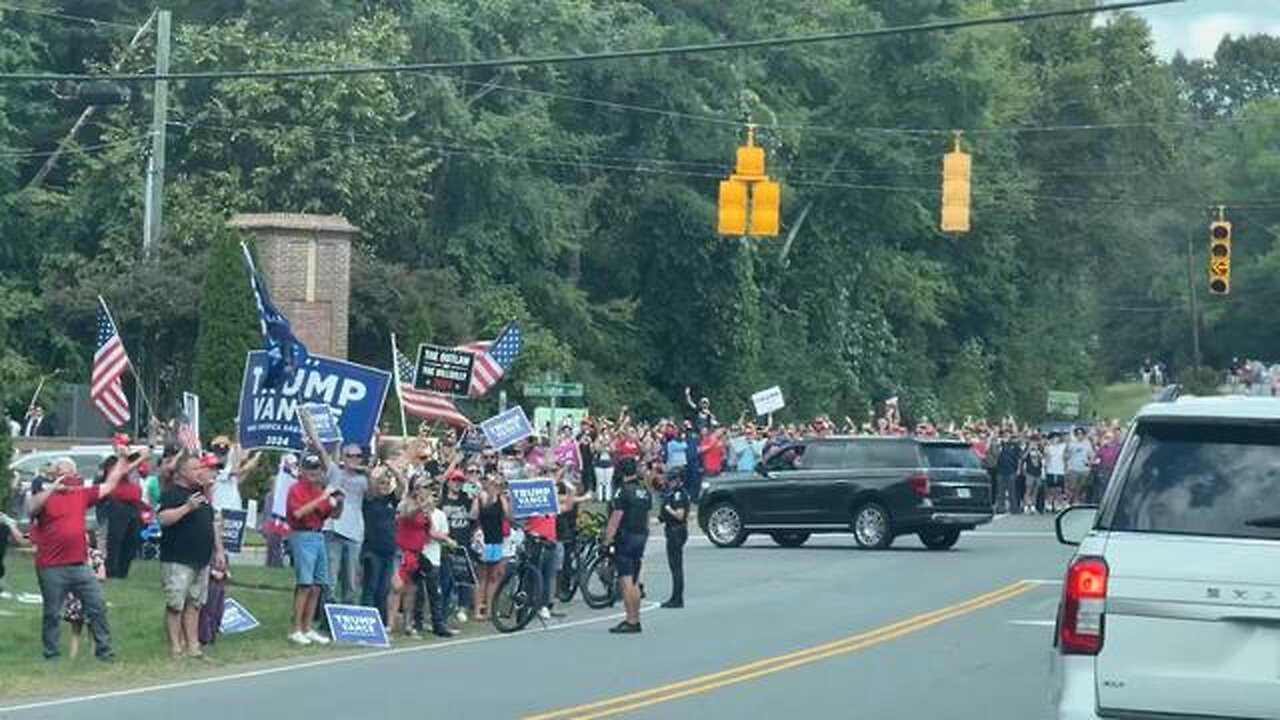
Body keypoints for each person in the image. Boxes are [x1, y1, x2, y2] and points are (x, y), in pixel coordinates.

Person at [27, 452, 144, 660]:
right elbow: (31, 508)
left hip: (79, 564)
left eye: (70, 473)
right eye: (62, 474)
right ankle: (51, 654)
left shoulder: (80, 494)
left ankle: (104, 651)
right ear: (53, 475)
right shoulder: (44, 495)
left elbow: (109, 485)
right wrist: (53, 487)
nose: (67, 477)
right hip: (51, 565)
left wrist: (122, 463)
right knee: (52, 612)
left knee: (97, 605)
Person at [157, 452, 224, 659]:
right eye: (196, 469)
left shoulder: (203, 494)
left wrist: (219, 550)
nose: (201, 472)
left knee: (195, 604)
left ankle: (193, 646)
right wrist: (187, 508)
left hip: (201, 558)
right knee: (176, 604)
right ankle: (176, 647)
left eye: (201, 468)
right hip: (178, 558)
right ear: (183, 472)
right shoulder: (172, 493)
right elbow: (163, 519)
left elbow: (212, 523)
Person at [285, 453, 342, 646]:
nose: (313, 472)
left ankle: (308, 628)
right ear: (301, 470)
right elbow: (298, 513)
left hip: (318, 534)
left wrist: (338, 502)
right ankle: (296, 629)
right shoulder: (296, 489)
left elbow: (334, 515)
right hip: (302, 535)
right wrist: (323, 498)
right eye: (309, 468)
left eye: (316, 468)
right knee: (305, 584)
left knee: (318, 585)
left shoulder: (319, 490)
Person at [315, 442, 369, 606]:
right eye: (349, 455)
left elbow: (373, 494)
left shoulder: (364, 479)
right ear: (343, 457)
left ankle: (347, 613)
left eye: (357, 456)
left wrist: (370, 473)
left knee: (351, 580)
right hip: (333, 530)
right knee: (330, 578)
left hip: (354, 532)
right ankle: (327, 616)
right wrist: (308, 422)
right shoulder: (335, 472)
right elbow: (320, 450)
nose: (353, 459)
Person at [603, 457, 650, 634]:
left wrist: (607, 540)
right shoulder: (643, 490)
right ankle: (636, 618)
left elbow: (616, 518)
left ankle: (630, 619)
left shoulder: (622, 492)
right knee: (636, 579)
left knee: (626, 580)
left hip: (626, 536)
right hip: (641, 535)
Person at [418, 482, 459, 637]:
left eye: (436, 494)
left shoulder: (440, 515)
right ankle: (418, 621)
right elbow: (428, 533)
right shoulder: (419, 511)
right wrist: (446, 539)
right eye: (430, 493)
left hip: (434, 557)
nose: (433, 497)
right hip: (419, 554)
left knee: (435, 593)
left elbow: (441, 535)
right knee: (418, 593)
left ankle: (438, 623)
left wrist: (444, 539)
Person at [469, 472, 511, 620]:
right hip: (483, 541)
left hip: (496, 539)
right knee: (482, 576)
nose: (493, 486)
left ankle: (489, 610)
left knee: (494, 576)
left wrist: (506, 497)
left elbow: (508, 515)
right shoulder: (480, 497)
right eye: (491, 483)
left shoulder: (501, 498)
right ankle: (477, 610)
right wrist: (476, 496)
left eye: (496, 484)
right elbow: (473, 516)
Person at [360, 466, 399, 624]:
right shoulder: (369, 499)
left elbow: (402, 485)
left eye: (386, 483)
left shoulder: (391, 500)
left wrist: (393, 469)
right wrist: (373, 474)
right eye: (381, 483)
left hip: (389, 550)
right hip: (372, 549)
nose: (384, 486)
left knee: (384, 588)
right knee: (371, 585)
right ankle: (366, 619)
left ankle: (379, 621)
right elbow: (370, 486)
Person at [64, 537, 105, 659]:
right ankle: (72, 658)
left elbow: (102, 576)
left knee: (92, 629)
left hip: (91, 597)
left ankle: (92, 657)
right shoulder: (69, 554)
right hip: (74, 598)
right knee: (75, 630)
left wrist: (86, 578)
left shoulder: (95, 554)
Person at [657, 464, 689, 609]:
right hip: (672, 529)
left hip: (676, 530)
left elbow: (680, 515)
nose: (668, 482)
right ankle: (676, 596)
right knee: (674, 566)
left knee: (676, 566)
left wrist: (668, 509)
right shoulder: (673, 493)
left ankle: (677, 597)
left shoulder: (678, 494)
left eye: (671, 480)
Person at [1065, 428, 1095, 506]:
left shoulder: (1087, 443)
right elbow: (1066, 455)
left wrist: (1090, 463)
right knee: (1072, 486)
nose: (1079, 435)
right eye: (1078, 434)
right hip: (1073, 468)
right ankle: (1071, 500)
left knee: (1082, 486)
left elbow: (1091, 455)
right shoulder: (1071, 444)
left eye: (1081, 434)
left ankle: (1077, 499)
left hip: (1084, 469)